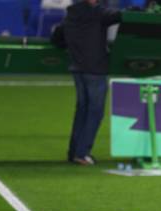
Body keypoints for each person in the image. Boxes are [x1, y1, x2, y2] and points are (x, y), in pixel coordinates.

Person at [51, 0, 121, 166]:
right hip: (95, 68)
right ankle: (82, 153)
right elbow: (121, 16)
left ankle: (74, 151)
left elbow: (57, 38)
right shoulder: (97, 13)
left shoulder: (71, 13)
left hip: (78, 68)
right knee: (95, 112)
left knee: (82, 111)